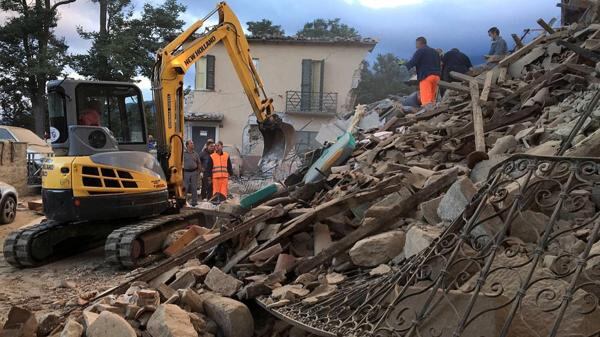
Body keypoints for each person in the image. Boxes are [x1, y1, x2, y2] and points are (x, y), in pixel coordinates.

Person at [403, 36, 441, 107]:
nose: (416, 46)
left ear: (419, 43)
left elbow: (412, 62)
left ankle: (427, 114)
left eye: (416, 44)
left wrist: (403, 63)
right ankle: (433, 113)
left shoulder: (420, 51)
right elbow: (440, 64)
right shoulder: (435, 52)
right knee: (432, 99)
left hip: (426, 77)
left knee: (426, 101)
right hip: (436, 77)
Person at [183, 140, 201, 207]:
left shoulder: (196, 154)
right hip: (186, 172)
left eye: (193, 143)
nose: (193, 144)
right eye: (191, 143)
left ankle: (194, 202)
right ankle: (184, 202)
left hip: (194, 172)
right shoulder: (184, 154)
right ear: (187, 145)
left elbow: (199, 163)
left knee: (194, 187)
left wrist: (199, 172)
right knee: (185, 188)